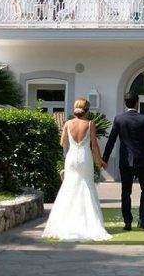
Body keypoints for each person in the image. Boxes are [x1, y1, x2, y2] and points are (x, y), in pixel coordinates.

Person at [41, 98, 112, 241]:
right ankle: (88, 223)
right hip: (85, 158)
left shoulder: (67, 123)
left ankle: (64, 223)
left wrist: (65, 159)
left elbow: (63, 143)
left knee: (69, 188)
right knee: (87, 187)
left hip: (71, 158)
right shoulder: (90, 124)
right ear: (87, 109)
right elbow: (94, 146)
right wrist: (100, 162)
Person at [102, 93, 144, 231]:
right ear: (137, 102)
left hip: (125, 161)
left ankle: (127, 222)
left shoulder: (119, 119)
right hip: (142, 160)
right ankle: (143, 221)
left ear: (125, 103)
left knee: (126, 192)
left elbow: (111, 140)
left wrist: (105, 159)